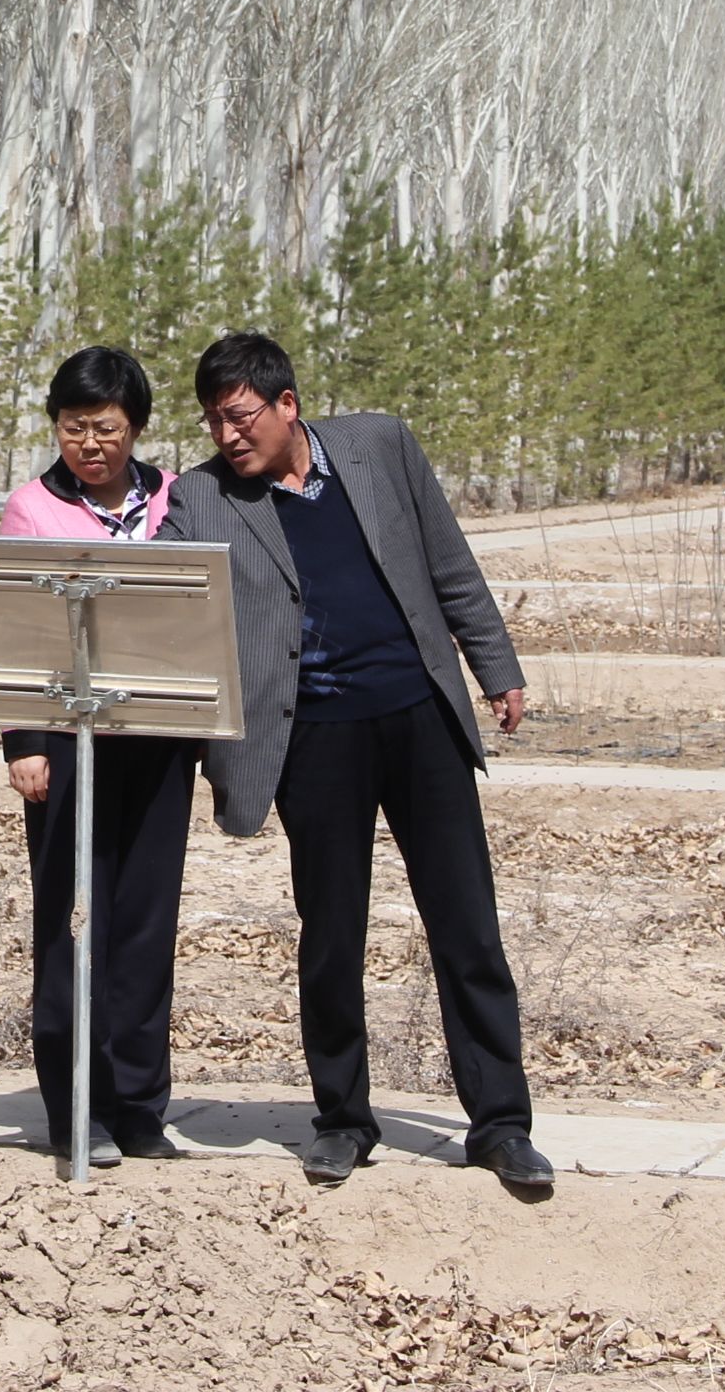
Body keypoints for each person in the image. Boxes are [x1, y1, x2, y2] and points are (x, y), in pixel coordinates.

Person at [157, 331, 554, 1196]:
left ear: (287, 404)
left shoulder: (380, 444)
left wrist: (497, 667)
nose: (227, 436)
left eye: (240, 416)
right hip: (314, 739)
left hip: (419, 720)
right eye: (214, 421)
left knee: (467, 927)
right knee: (331, 936)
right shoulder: (202, 499)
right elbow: (170, 607)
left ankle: (501, 1125)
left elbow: (450, 562)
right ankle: (342, 1119)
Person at [0, 345, 192, 1168]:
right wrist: (24, 745)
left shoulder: (177, 499)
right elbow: (9, 629)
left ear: (136, 427)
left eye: (106, 428)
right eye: (74, 428)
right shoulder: (31, 508)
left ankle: (141, 1105)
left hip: (157, 738)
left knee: (146, 923)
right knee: (73, 921)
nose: (91, 445)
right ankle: (76, 1107)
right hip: (68, 744)